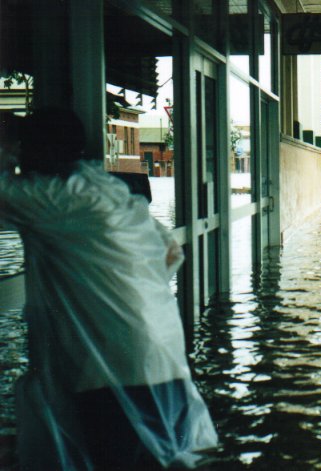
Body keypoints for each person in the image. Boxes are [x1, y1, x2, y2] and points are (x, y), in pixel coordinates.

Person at [0, 107, 217, 470]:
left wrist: (3, 141)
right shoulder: (107, 189)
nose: (21, 158)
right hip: (161, 353)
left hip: (112, 368)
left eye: (24, 148)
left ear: (42, 150)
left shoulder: (58, 198)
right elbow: (170, 251)